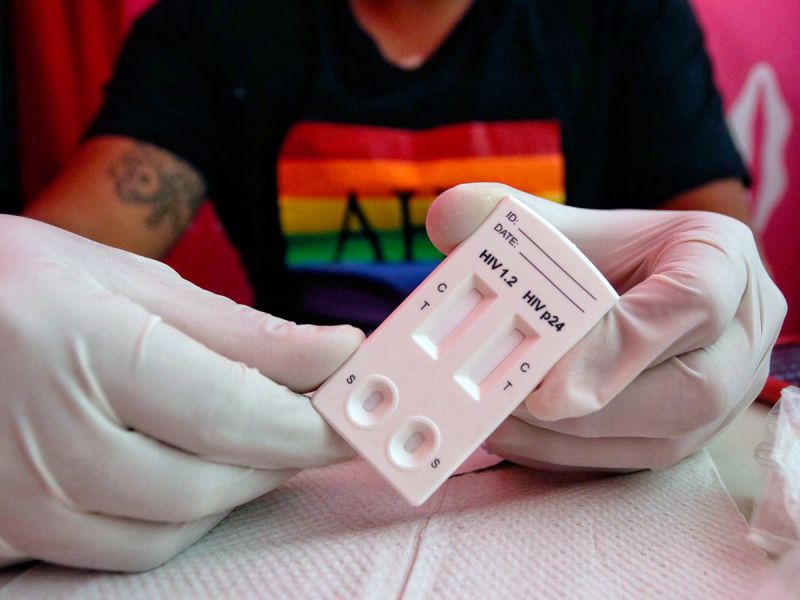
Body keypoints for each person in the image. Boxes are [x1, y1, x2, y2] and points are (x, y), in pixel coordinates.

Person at [0, 0, 786, 571]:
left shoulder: (622, 17)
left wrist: (715, 318)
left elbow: (709, 252)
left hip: (568, 468)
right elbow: (70, 253)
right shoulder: (216, 24)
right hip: (299, 472)